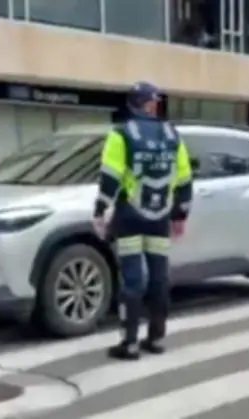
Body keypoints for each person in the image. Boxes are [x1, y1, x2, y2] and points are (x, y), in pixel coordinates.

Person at [92, 81, 194, 360]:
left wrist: (100, 211)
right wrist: (181, 213)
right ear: (151, 104)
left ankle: (130, 343)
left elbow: (110, 178)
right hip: (160, 218)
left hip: (130, 217)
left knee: (133, 280)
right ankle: (157, 338)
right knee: (159, 278)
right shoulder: (172, 134)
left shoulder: (121, 134)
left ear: (131, 104)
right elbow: (184, 177)